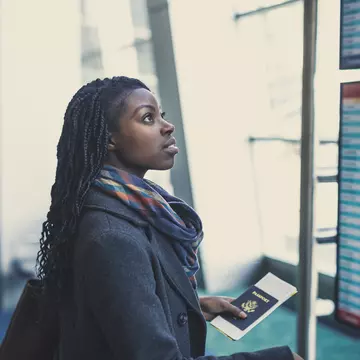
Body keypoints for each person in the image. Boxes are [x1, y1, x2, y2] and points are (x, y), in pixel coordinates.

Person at [37, 76, 303, 360]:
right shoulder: (113, 237)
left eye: (160, 115)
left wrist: (188, 306)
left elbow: (110, 309)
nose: (167, 126)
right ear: (109, 138)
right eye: (148, 118)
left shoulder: (123, 206)